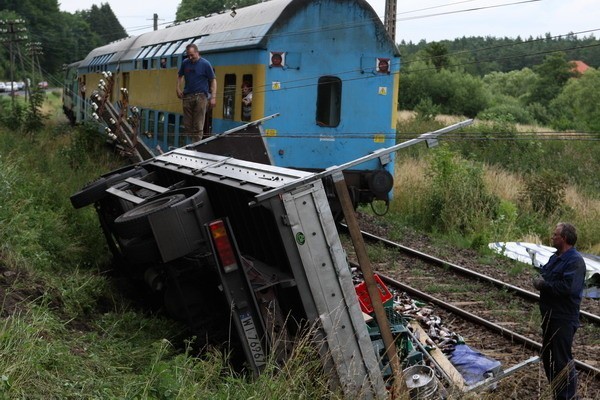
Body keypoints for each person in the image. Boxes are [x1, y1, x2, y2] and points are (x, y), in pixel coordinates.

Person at [533, 222, 586, 400]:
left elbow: (567, 288)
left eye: (555, 235)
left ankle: (568, 397)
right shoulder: (555, 257)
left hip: (563, 318)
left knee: (562, 359)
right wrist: (540, 278)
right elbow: (547, 275)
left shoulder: (575, 261)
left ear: (563, 238)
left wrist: (544, 285)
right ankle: (558, 393)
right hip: (549, 316)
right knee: (548, 356)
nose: (552, 237)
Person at [176, 43, 217, 141]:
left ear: (197, 52)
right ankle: (192, 142)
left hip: (201, 97)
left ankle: (196, 146)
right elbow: (180, 76)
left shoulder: (205, 64)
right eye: (188, 55)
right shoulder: (185, 63)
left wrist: (213, 97)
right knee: (187, 125)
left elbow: (213, 80)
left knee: (198, 125)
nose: (190, 57)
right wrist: (177, 88)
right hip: (187, 96)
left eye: (192, 55)